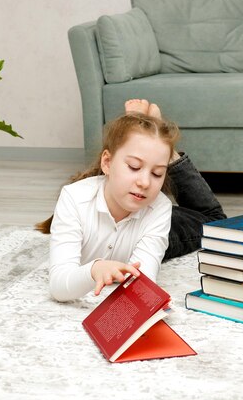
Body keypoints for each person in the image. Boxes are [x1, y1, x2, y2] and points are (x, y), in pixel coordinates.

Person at [36, 100, 226, 301]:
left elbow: (142, 284)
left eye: (157, 173)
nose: (144, 182)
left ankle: (162, 147)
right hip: (131, 213)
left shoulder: (159, 208)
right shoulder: (73, 198)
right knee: (214, 221)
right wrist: (94, 269)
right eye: (134, 167)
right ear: (107, 163)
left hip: (150, 220)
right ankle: (150, 136)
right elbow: (59, 286)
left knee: (217, 224)